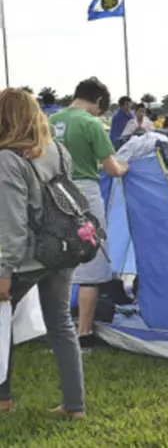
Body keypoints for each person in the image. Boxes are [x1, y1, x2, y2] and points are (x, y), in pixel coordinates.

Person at [0, 88, 85, 418]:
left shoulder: (8, 159)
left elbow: (12, 224)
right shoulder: (58, 150)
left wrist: (4, 270)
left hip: (29, 256)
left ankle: (3, 400)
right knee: (61, 323)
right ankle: (74, 406)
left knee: (2, 321)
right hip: (64, 248)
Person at [48, 78, 129, 349]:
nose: (99, 113)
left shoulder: (50, 122)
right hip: (83, 196)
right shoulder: (91, 124)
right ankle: (84, 334)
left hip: (53, 193)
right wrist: (125, 167)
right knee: (91, 265)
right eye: (101, 108)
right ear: (97, 102)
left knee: (59, 263)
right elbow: (112, 168)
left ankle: (56, 330)